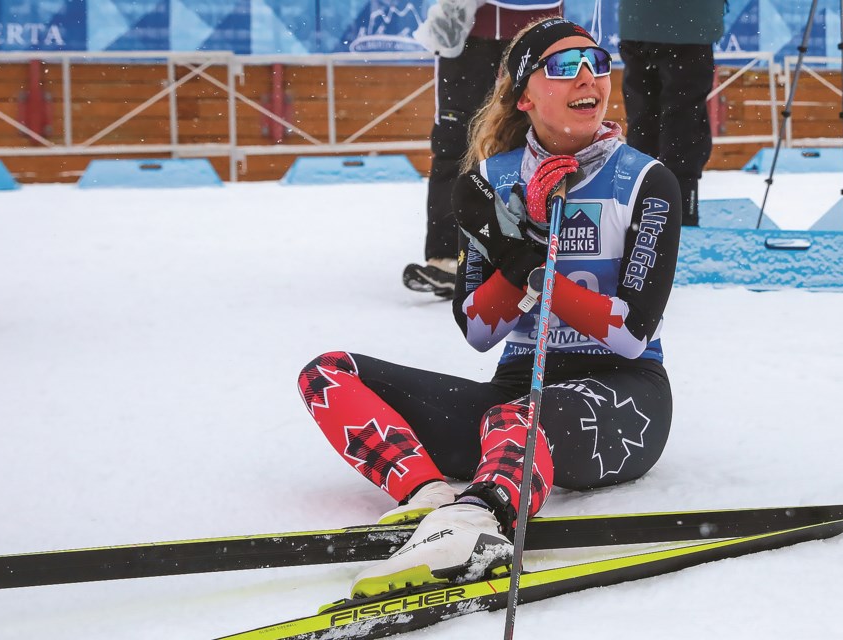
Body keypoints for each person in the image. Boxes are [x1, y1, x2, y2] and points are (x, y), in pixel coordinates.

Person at [298, 17, 681, 599]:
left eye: (597, 62)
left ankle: (478, 524)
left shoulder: (645, 181)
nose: (588, 76)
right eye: (563, 66)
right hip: (517, 389)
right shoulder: (491, 184)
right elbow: (478, 329)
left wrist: (532, 267)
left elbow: (630, 332)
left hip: (627, 395)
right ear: (525, 95)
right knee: (328, 375)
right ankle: (433, 502)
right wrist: (509, 257)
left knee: (516, 418)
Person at [403, 0, 563, 299]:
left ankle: (532, 256)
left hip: (535, 32)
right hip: (467, 34)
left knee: (535, 141)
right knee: (455, 145)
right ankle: (448, 258)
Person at [618, 0, 728, 226]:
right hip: (689, 22)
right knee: (683, 121)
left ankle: (640, 211)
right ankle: (680, 214)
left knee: (643, 119)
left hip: (637, 20)